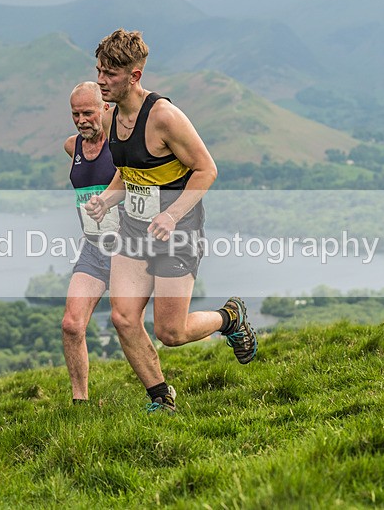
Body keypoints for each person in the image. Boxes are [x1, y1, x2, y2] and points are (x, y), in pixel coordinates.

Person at [85, 29, 257, 414]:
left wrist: (171, 213)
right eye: (99, 70)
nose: (101, 80)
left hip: (177, 231)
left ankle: (230, 318)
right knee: (123, 317)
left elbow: (207, 169)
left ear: (135, 76)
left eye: (111, 73)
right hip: (134, 229)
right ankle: (161, 397)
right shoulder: (111, 117)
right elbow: (128, 174)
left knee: (170, 332)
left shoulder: (164, 117)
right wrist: (106, 201)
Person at [60, 81, 120, 404]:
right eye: (75, 114)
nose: (82, 120)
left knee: (136, 326)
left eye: (88, 113)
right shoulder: (73, 147)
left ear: (105, 109)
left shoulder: (122, 146)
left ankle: (159, 392)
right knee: (71, 324)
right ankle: (80, 402)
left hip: (129, 251)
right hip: (94, 248)